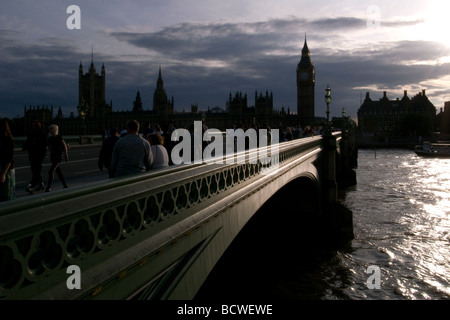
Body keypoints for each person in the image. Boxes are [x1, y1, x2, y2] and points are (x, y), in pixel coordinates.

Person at [22, 120, 47, 193]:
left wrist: (42, 155)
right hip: (33, 156)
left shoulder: (42, 134)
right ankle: (41, 185)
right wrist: (24, 147)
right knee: (35, 172)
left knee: (36, 172)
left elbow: (43, 146)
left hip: (38, 156)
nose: (33, 126)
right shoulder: (31, 134)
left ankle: (31, 186)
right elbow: (28, 142)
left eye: (34, 125)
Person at [45, 124, 69, 192]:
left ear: (54, 130)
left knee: (51, 171)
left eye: (51, 129)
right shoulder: (50, 138)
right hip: (53, 157)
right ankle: (65, 185)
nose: (49, 130)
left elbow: (64, 146)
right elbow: (47, 146)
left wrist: (66, 155)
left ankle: (48, 187)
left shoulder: (59, 137)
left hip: (58, 157)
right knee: (58, 172)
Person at [0, 118, 15, 202]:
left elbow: (9, 159)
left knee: (8, 195)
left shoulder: (8, 139)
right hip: (3, 167)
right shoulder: (2, 138)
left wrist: (3, 174)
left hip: (7, 170)